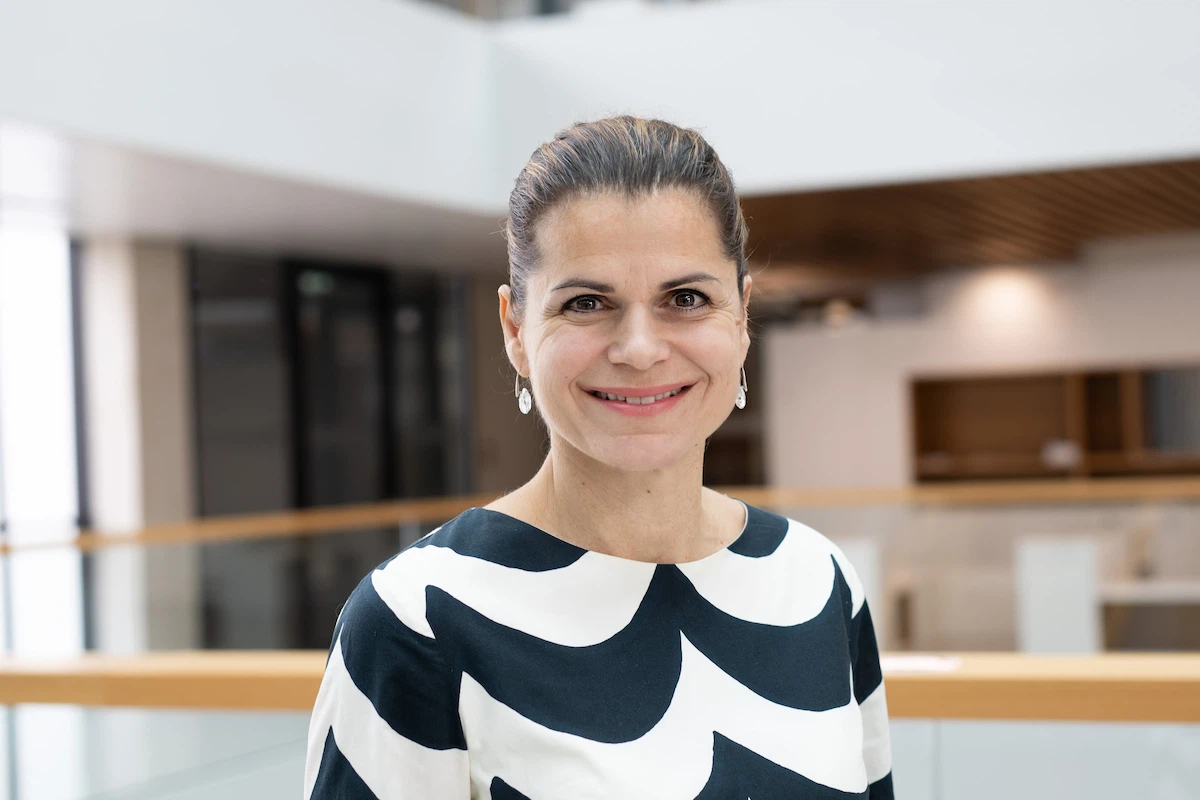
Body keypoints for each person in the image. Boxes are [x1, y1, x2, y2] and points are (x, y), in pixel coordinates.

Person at [303, 116, 893, 799]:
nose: (639, 348)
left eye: (686, 298)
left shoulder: (818, 582)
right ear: (516, 330)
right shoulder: (417, 620)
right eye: (586, 302)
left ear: (742, 317)